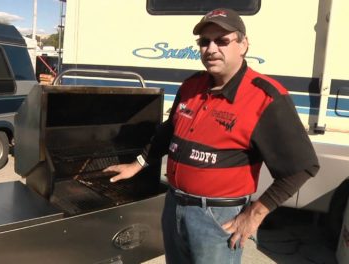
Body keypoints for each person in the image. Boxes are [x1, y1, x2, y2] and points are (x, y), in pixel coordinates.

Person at [104, 8, 320, 264]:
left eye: (222, 40)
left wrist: (255, 214)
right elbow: (169, 132)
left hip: (219, 218)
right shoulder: (191, 86)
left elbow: (302, 166)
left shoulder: (266, 98)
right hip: (174, 205)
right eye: (204, 42)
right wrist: (137, 164)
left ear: (243, 44)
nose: (211, 48)